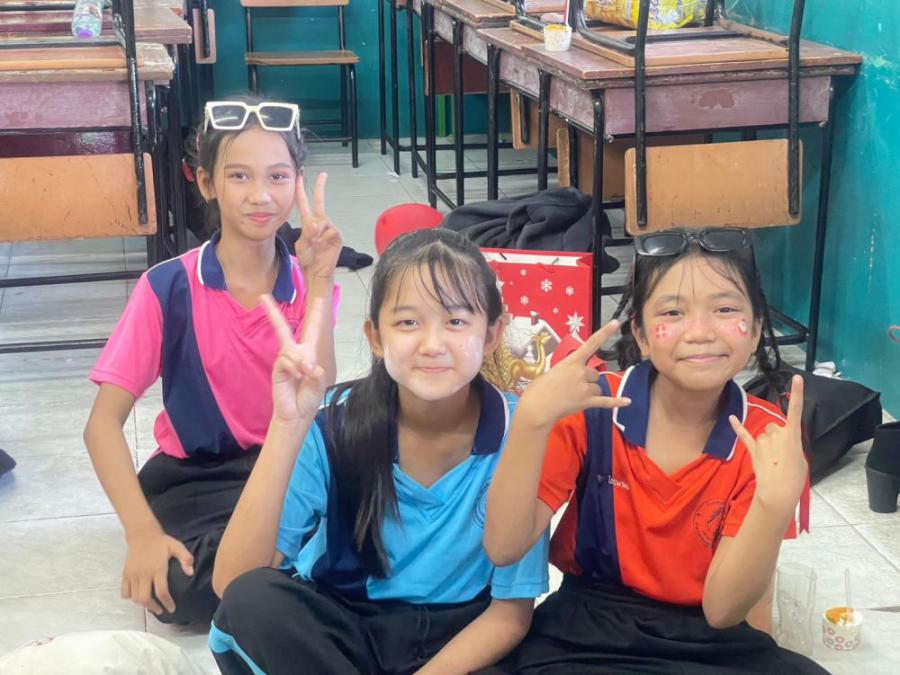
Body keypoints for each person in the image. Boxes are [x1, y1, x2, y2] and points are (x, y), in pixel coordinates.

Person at [483, 227, 824, 673]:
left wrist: (773, 507)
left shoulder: (766, 437)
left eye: (725, 309)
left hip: (707, 639)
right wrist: (530, 420)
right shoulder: (593, 409)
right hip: (585, 629)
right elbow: (503, 548)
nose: (700, 332)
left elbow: (723, 612)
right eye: (673, 312)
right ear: (641, 335)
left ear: (757, 328)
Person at [209, 228, 549, 675]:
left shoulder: (523, 433)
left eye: (456, 321)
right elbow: (234, 582)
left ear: (491, 335)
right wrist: (287, 426)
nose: (432, 345)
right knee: (253, 604)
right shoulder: (335, 424)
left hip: (461, 641)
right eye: (408, 322)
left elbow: (511, 614)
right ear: (375, 336)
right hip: (343, 631)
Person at [83, 96, 341, 625]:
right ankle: (285, 568)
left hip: (287, 464)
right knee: (178, 586)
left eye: (278, 176)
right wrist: (141, 533)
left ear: (297, 183)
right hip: (196, 480)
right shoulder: (168, 286)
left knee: (374, 531)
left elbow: (319, 390)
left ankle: (274, 566)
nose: (261, 195)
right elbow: (101, 425)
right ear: (206, 183)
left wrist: (319, 281)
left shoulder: (309, 282)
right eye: (239, 176)